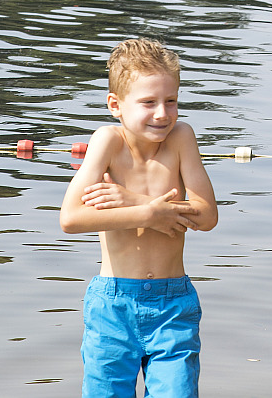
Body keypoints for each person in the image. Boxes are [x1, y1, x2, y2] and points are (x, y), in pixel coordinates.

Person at [60, 38, 218, 398]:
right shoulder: (107, 142)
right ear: (116, 105)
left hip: (172, 303)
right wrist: (147, 213)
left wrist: (134, 200)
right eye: (148, 102)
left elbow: (207, 215)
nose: (162, 113)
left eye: (171, 100)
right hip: (113, 303)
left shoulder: (181, 139)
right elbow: (70, 218)